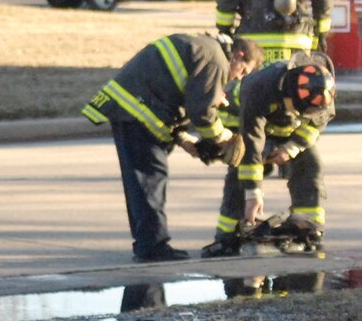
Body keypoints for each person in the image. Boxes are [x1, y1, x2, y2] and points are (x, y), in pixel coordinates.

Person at [80, 33, 262, 262]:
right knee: (150, 180)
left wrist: (184, 138)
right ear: (238, 55)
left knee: (141, 184)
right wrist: (222, 136)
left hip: (131, 110)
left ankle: (147, 243)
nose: (237, 77)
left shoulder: (204, 49)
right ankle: (153, 248)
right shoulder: (216, 60)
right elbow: (202, 113)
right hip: (137, 113)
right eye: (243, 71)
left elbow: (173, 94)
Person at [201, 51, 336, 257]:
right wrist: (253, 194)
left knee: (311, 165)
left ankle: (308, 228)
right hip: (240, 120)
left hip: (286, 130)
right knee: (241, 172)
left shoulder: (323, 87)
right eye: (298, 109)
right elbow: (251, 145)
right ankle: (227, 236)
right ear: (287, 93)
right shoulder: (260, 88)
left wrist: (291, 148)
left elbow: (317, 123)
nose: (301, 114)